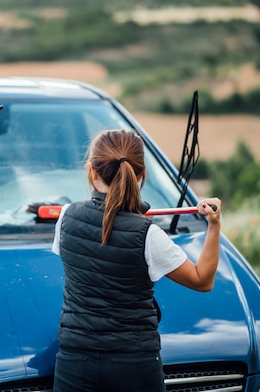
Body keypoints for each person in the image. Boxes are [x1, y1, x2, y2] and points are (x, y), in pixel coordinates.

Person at [51, 129, 221, 392]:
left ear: (92, 171)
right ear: (140, 175)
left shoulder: (66, 218)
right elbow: (203, 280)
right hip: (135, 365)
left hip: (76, 361)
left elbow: (94, 257)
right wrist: (214, 225)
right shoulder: (148, 235)